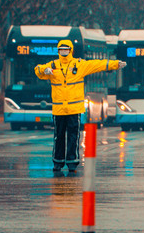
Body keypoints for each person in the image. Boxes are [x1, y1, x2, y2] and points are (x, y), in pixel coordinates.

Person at [34, 39, 126, 173]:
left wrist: (115, 64)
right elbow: (37, 70)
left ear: (71, 50)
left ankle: (72, 162)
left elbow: (97, 64)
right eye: (61, 50)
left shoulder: (79, 65)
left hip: (74, 109)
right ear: (58, 51)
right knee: (58, 136)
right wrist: (44, 70)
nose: (63, 52)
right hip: (59, 110)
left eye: (66, 49)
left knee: (73, 136)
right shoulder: (53, 65)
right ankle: (57, 162)